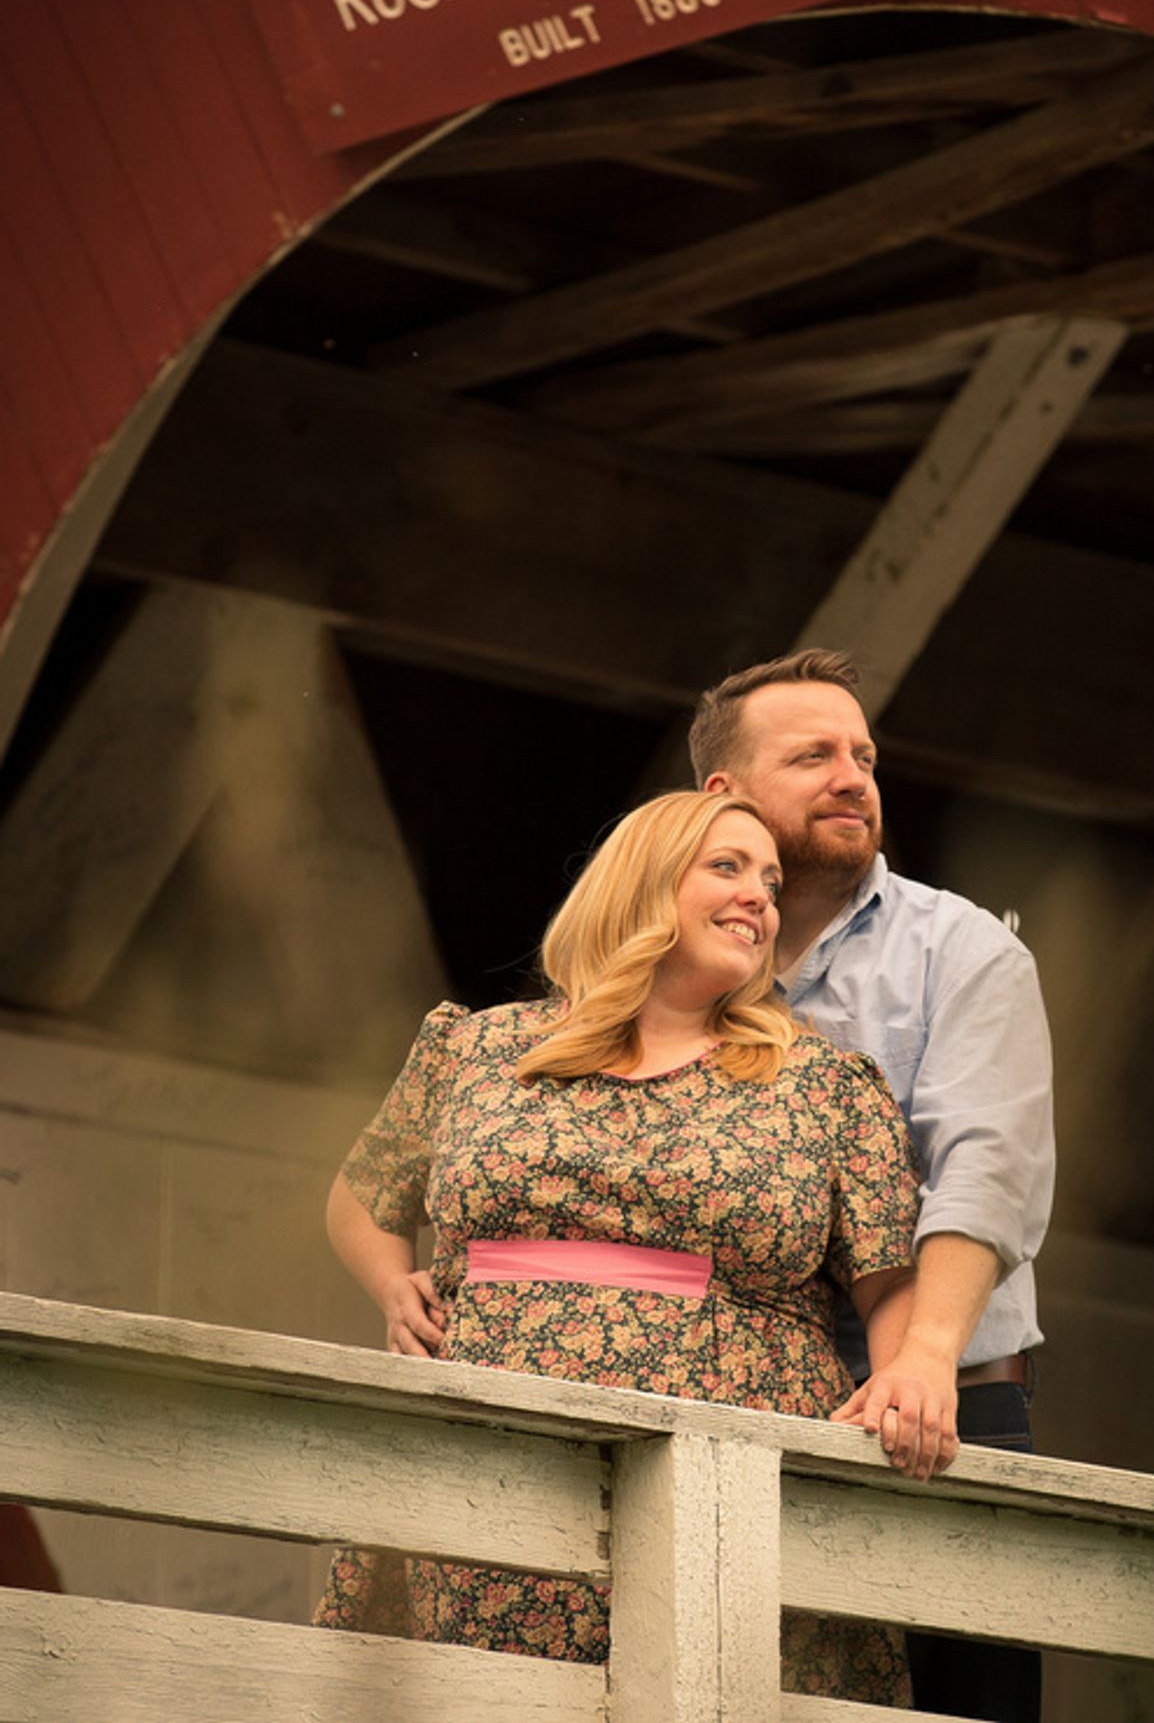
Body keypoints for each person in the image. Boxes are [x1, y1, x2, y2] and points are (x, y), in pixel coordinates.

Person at [315, 789, 927, 1705]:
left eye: (770, 880)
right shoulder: (478, 1048)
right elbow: (359, 1197)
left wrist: (906, 1374)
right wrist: (392, 1285)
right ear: (641, 884)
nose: (761, 896)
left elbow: (887, 1281)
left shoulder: (826, 1084)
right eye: (727, 867)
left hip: (723, 1497)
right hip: (484, 1464)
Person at [691, 649, 1054, 1723]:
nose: (853, 775)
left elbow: (984, 1166)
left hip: (939, 1408)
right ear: (723, 795)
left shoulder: (964, 950)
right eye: (812, 756)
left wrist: (925, 1360)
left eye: (864, 755)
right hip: (729, 1405)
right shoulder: (673, 958)